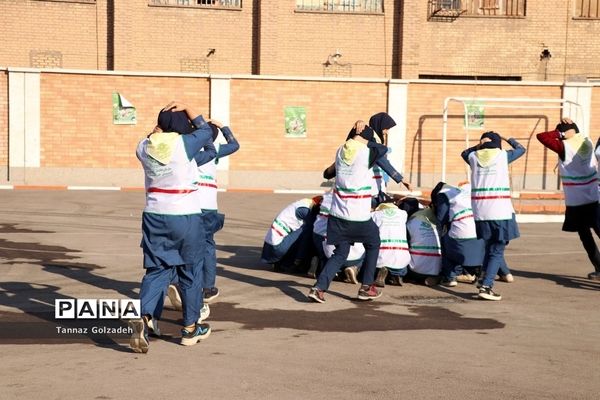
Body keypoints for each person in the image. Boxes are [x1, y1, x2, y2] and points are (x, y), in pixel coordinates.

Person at [131, 101, 215, 352]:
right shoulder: (184, 145)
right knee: (190, 272)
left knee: (156, 271)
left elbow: (153, 135)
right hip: (185, 217)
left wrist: (159, 123)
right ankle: (190, 328)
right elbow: (207, 132)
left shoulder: (143, 147)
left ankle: (145, 318)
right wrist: (190, 107)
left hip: (154, 217)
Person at [308, 122, 405, 303]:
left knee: (340, 253)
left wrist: (356, 132)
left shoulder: (340, 151)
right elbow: (383, 148)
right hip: (358, 216)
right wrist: (367, 134)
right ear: (366, 139)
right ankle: (366, 287)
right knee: (374, 242)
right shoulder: (367, 152)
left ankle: (318, 288)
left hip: (337, 216)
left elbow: (327, 173)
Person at [166, 119, 240, 312]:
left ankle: (176, 281)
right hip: (209, 206)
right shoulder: (214, 151)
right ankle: (207, 287)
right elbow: (235, 145)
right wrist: (223, 126)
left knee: (182, 244)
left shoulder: (188, 149)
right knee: (207, 246)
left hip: (189, 204)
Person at [462, 131, 526, 300]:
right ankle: (486, 286)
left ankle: (483, 280)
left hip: (481, 211)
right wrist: (508, 138)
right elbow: (521, 149)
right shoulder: (502, 155)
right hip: (500, 210)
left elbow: (464, 153)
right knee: (497, 250)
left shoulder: (473, 157)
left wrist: (479, 145)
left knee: (489, 247)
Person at [537, 119, 600, 281]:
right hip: (593, 196)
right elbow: (575, 132)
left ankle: (599, 266)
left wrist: (559, 133)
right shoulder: (587, 141)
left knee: (585, 236)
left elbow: (542, 136)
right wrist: (571, 126)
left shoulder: (564, 147)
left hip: (577, 200)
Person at [430, 181, 485, 287]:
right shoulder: (470, 190)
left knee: (445, 239)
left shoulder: (444, 194)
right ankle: (475, 273)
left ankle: (450, 277)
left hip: (461, 235)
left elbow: (441, 218)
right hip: (479, 233)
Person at [311, 190, 365, 284]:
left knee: (325, 251)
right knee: (369, 247)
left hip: (320, 235)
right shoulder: (353, 201)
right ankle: (354, 268)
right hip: (350, 253)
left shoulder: (327, 196)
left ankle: (323, 265)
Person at [261, 197, 322, 273]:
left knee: (304, 230)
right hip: (277, 248)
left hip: (270, 247)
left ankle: (282, 261)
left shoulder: (305, 203)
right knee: (307, 232)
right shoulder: (306, 211)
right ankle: (290, 263)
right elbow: (306, 240)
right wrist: (299, 259)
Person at [371, 200, 411, 287]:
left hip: (380, 253)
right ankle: (396, 275)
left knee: (372, 263)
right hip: (400, 254)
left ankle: (382, 272)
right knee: (403, 267)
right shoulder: (403, 214)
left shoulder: (375, 215)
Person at [405, 205, 442, 286]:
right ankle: (434, 278)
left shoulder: (411, 222)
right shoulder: (436, 223)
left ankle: (413, 278)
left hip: (416, 270)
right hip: (437, 270)